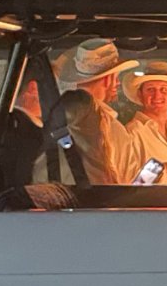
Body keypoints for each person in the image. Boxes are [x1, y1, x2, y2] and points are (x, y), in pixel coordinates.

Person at [53, 37, 143, 186]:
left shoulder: (58, 115)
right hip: (101, 205)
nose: (118, 83)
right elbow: (131, 185)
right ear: (108, 79)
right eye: (116, 77)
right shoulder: (112, 129)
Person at [122, 61, 167, 181]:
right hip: (150, 200)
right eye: (150, 90)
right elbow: (138, 182)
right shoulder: (133, 132)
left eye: (163, 90)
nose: (157, 96)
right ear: (140, 94)